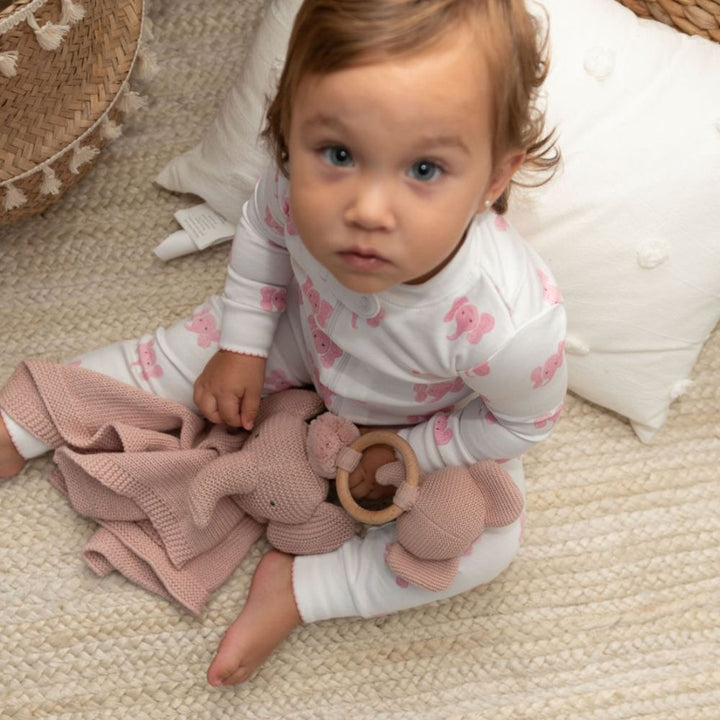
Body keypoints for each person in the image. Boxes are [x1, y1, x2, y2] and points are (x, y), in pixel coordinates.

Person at [0, 0, 566, 687]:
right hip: (307, 330)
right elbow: (265, 237)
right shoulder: (290, 186)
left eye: (423, 171)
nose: (367, 210)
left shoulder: (510, 329)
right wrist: (243, 342)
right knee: (178, 353)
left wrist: (420, 450)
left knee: (486, 544)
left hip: (429, 414)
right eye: (337, 154)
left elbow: (523, 421)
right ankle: (25, 421)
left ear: (494, 180)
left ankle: (304, 590)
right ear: (288, 134)